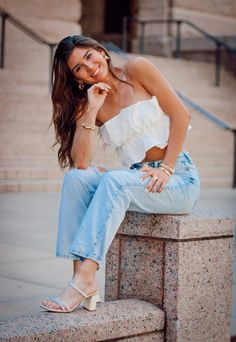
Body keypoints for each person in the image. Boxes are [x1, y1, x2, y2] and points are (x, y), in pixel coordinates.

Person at [40, 35, 200, 313]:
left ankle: (84, 280)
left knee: (115, 179)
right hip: (139, 178)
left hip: (178, 178)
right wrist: (91, 109)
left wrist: (167, 168)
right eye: (78, 68)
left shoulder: (138, 69)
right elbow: (81, 162)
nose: (89, 67)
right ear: (77, 79)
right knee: (76, 179)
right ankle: (82, 277)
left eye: (89, 57)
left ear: (102, 52)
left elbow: (181, 115)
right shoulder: (89, 102)